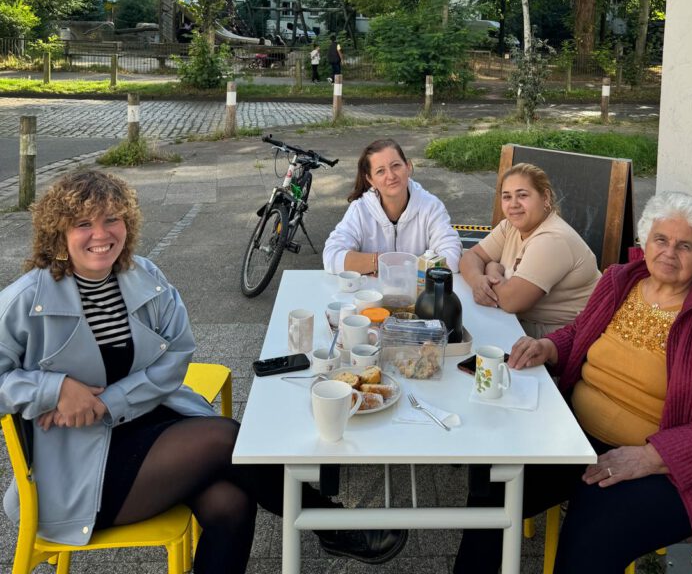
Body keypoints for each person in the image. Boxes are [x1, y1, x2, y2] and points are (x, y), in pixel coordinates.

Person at [0, 170, 406, 572]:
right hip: (77, 469)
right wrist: (53, 390)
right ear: (58, 232)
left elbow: (177, 354)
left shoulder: (143, 277)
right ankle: (331, 521)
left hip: (145, 424)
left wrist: (108, 403)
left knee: (231, 501)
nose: (101, 234)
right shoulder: (25, 299)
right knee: (228, 439)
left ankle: (330, 524)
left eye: (112, 219)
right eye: (84, 224)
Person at [453, 191, 692, 574]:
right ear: (645, 241)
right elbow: (581, 333)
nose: (670, 252)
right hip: (575, 438)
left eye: (685, 245)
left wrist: (651, 457)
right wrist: (549, 347)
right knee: (493, 484)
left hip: (666, 469)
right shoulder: (622, 280)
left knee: (592, 537)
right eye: (661, 240)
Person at [459, 163, 599, 335]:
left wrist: (492, 270)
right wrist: (477, 281)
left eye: (522, 195)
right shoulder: (510, 227)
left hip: (557, 340)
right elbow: (470, 256)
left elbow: (511, 301)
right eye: (507, 197)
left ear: (545, 197)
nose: (513, 204)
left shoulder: (553, 240)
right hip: (517, 323)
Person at [323, 138, 462, 275]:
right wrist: (379, 262)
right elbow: (331, 256)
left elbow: (452, 257)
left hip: (417, 292)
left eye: (396, 165)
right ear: (371, 180)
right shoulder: (359, 210)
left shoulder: (431, 206)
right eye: (380, 171)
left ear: (408, 167)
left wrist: (398, 267)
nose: (391, 176)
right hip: (373, 293)